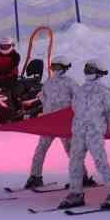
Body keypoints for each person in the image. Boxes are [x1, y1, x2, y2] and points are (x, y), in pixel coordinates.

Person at [60, 59, 110, 211]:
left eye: (91, 70)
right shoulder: (80, 90)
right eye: (86, 69)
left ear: (98, 72)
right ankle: (75, 192)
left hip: (94, 132)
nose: (87, 72)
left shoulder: (105, 91)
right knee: (74, 162)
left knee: (100, 162)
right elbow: (74, 109)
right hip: (78, 131)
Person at [23, 56, 77, 190]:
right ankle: (35, 176)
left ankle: (81, 176)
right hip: (49, 122)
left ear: (64, 68)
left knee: (71, 151)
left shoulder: (70, 83)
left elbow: (79, 99)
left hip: (64, 122)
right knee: (41, 149)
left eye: (58, 67)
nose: (55, 70)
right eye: (53, 67)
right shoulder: (48, 82)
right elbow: (43, 97)